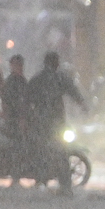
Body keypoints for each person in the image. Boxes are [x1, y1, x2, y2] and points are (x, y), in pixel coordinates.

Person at [27, 52, 86, 194]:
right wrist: (83, 105)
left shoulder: (38, 79)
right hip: (57, 122)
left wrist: (30, 115)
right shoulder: (60, 78)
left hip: (41, 122)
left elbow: (28, 99)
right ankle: (64, 185)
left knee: (42, 151)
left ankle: (41, 179)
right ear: (55, 63)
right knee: (61, 152)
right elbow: (73, 92)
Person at [1, 54, 29, 180]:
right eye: (16, 65)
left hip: (18, 120)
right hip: (14, 121)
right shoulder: (12, 82)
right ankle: (16, 174)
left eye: (20, 65)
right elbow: (8, 102)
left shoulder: (21, 81)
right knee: (16, 148)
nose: (19, 67)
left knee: (18, 147)